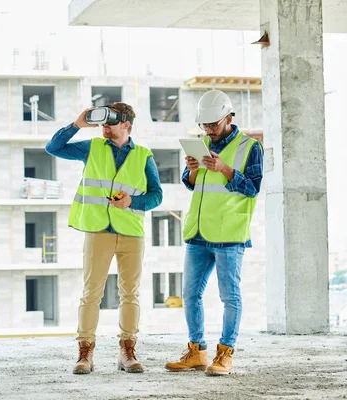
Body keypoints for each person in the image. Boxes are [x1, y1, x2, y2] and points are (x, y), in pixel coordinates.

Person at [45, 103, 163, 375]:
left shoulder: (144, 155)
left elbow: (157, 196)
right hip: (98, 231)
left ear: (127, 124)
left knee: (130, 294)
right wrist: (76, 125)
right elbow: (53, 148)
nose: (105, 127)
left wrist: (134, 201)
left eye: (111, 122)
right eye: (102, 123)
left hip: (131, 233)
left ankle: (127, 351)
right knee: (91, 294)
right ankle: (85, 354)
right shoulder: (92, 148)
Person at [164, 90, 264, 376]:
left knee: (229, 296)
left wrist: (224, 168)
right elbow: (192, 185)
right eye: (205, 125)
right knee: (190, 294)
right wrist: (193, 170)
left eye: (213, 125)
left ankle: (225, 355)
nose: (209, 130)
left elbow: (253, 187)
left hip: (229, 235)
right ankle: (196, 353)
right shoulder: (202, 144)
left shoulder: (249, 147)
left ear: (228, 117)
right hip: (198, 232)